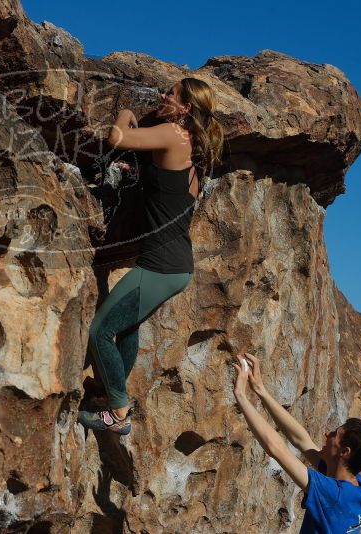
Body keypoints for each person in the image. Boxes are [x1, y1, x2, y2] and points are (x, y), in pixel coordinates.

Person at [78, 77, 224, 434]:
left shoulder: (174, 133)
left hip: (160, 266)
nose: (162, 95)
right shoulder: (194, 155)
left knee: (100, 331)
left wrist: (126, 110)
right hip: (172, 266)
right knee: (126, 329)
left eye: (170, 93)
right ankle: (113, 395)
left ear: (185, 107)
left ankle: (118, 412)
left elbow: (118, 138)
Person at [232, 352, 361, 533]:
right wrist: (260, 390)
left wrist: (240, 395)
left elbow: (276, 448)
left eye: (335, 434)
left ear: (344, 452)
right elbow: (301, 440)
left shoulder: (334, 495)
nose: (327, 434)